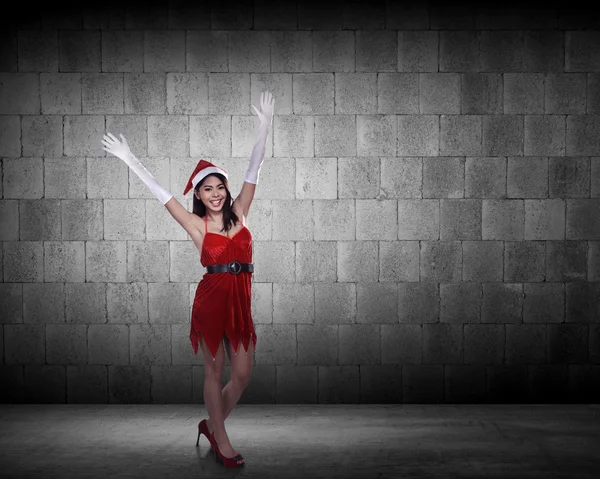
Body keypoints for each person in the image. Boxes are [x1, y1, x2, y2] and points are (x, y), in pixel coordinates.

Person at [102, 91, 275, 468]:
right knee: (214, 372)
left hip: (240, 301)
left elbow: (254, 165)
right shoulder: (196, 225)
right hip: (211, 300)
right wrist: (129, 158)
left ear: (227, 190)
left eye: (220, 187)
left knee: (243, 374)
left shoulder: (241, 212)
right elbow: (161, 194)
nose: (216, 194)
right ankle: (221, 440)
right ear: (198, 194)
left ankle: (212, 425)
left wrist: (264, 125)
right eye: (207, 189)